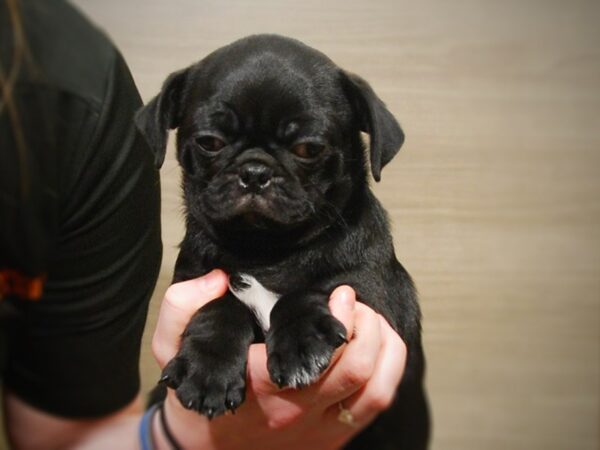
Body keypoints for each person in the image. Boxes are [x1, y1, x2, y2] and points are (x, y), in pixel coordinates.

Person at [0, 1, 408, 449]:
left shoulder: (75, 87)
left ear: (359, 146)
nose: (255, 175)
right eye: (213, 144)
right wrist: (178, 432)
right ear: (169, 138)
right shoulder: (203, 243)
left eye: (306, 150)